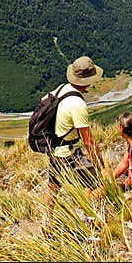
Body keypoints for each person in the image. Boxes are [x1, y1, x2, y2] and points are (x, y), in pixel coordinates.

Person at [44, 55, 107, 205]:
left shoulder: (61, 89)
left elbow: (43, 102)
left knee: (53, 186)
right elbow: (88, 141)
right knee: (97, 183)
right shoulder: (77, 104)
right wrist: (101, 166)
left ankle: (46, 222)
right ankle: (90, 217)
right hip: (69, 154)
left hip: (54, 148)